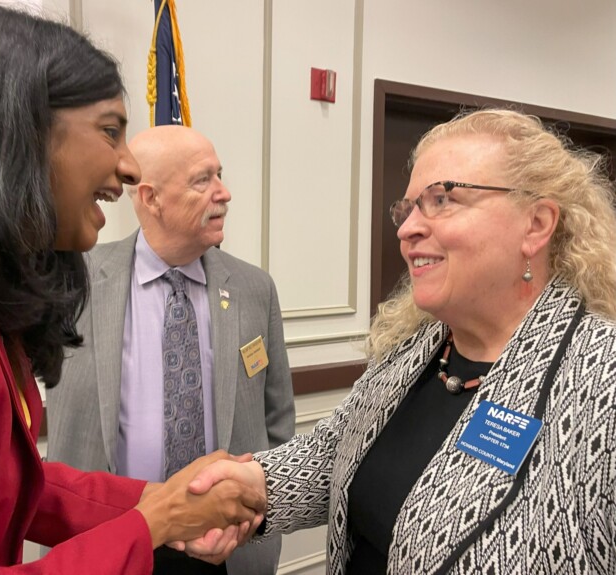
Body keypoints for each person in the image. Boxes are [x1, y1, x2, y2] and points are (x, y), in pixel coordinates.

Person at [0, 6, 265, 574]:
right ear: (22, 131)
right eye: (111, 131)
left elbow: (15, 483)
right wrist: (156, 523)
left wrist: (161, 501)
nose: (126, 165)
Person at [185, 109, 616, 574]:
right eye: (408, 207)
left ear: (536, 224)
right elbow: (337, 452)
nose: (407, 227)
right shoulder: (416, 344)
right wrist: (254, 486)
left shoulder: (601, 381)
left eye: (443, 199)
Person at [46, 124, 295, 575]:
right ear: (150, 198)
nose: (224, 193)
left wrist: (257, 516)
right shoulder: (71, 280)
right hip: (109, 538)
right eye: (203, 180)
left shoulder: (254, 289)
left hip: (226, 547)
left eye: (219, 175)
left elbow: (277, 420)